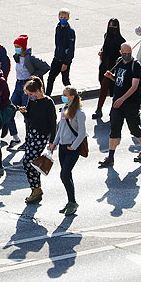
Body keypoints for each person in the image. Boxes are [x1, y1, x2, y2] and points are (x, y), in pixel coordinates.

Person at [99, 43, 141, 167]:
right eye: (125, 53)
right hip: (117, 102)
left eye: (129, 53)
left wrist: (122, 99)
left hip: (131, 103)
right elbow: (120, 79)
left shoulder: (135, 66)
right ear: (120, 52)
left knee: (134, 128)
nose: (127, 56)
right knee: (114, 129)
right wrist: (112, 77)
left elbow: (134, 86)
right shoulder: (119, 62)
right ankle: (110, 156)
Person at [19, 77, 57, 204]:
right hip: (31, 134)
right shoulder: (32, 101)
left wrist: (52, 141)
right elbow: (30, 116)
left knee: (28, 161)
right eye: (28, 95)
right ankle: (36, 189)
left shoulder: (48, 102)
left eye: (31, 94)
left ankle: (36, 189)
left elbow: (53, 123)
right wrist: (25, 113)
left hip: (41, 136)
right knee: (30, 163)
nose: (30, 97)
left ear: (39, 90)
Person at [50, 86, 86, 215]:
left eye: (65, 94)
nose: (63, 96)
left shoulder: (80, 113)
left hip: (71, 148)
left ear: (72, 97)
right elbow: (60, 129)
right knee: (66, 174)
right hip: (63, 147)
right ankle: (71, 201)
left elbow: (82, 133)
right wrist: (54, 144)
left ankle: (72, 202)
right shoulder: (64, 109)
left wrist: (74, 146)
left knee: (64, 174)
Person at [9, 35, 50, 148]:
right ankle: (15, 137)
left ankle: (28, 140)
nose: (16, 48)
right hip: (18, 85)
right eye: (15, 46)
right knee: (9, 111)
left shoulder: (30, 58)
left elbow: (46, 67)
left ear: (23, 47)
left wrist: (34, 76)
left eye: (18, 46)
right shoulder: (17, 57)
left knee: (27, 114)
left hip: (27, 88)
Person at [96, 18, 126, 119]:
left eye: (114, 27)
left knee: (111, 89)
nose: (112, 28)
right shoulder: (106, 36)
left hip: (114, 68)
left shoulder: (121, 40)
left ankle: (102, 109)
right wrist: (101, 51)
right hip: (104, 66)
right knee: (103, 88)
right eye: (110, 26)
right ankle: (102, 109)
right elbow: (104, 46)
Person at [45, 10, 76, 96]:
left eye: (65, 17)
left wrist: (66, 63)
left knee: (65, 80)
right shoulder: (58, 28)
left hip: (65, 60)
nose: (63, 19)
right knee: (50, 78)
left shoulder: (70, 31)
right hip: (56, 58)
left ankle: (73, 97)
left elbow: (71, 49)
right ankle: (47, 97)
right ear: (58, 17)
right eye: (61, 17)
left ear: (68, 18)